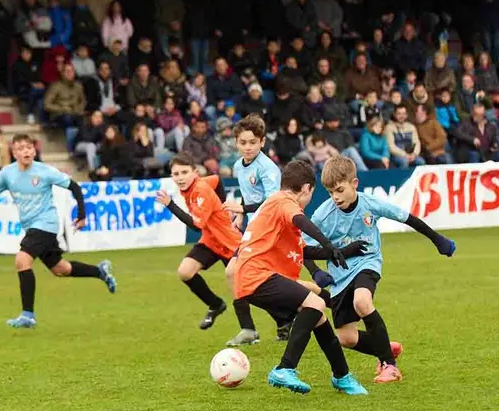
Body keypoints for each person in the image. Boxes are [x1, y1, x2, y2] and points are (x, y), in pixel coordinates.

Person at [304, 156, 455, 383]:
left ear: (354, 184)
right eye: (330, 192)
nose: (335, 197)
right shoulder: (323, 215)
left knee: (362, 301)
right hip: (339, 277)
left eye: (339, 190)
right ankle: (383, 348)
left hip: (367, 263)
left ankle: (390, 366)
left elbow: (407, 218)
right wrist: (316, 271)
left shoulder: (370, 204)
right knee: (346, 338)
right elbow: (303, 248)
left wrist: (437, 239)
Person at [229, 160, 368, 395]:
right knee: (315, 302)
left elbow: (303, 250)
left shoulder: (274, 206)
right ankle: (285, 368)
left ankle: (342, 376)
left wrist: (341, 251)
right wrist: (327, 243)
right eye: (311, 194)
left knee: (318, 318)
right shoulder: (284, 201)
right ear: (306, 188)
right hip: (257, 275)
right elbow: (300, 221)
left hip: (253, 277)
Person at [0, 134, 117, 328]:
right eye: (20, 148)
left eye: (29, 147)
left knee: (22, 260)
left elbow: (75, 187)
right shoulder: (7, 173)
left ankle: (28, 315)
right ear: (14, 153)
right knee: (61, 269)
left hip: (46, 224)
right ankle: (100, 272)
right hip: (31, 227)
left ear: (34, 151)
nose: (25, 151)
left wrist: (81, 214)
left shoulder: (45, 171)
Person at [217, 115, 287, 346]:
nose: (247, 147)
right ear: (236, 142)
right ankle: (281, 319)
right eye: (243, 142)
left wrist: (242, 208)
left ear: (262, 142)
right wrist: (240, 214)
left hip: (269, 230)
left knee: (237, 274)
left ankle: (259, 325)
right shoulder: (239, 166)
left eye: (252, 142)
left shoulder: (268, 168)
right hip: (253, 230)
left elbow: (272, 201)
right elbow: (249, 196)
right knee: (245, 276)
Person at [154, 153, 241, 329]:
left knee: (248, 290)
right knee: (185, 272)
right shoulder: (193, 185)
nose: (180, 177)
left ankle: (282, 320)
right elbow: (217, 179)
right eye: (176, 174)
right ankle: (216, 305)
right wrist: (224, 205)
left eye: (184, 172)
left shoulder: (200, 189)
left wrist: (170, 204)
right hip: (210, 240)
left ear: (195, 172)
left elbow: (196, 225)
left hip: (228, 242)